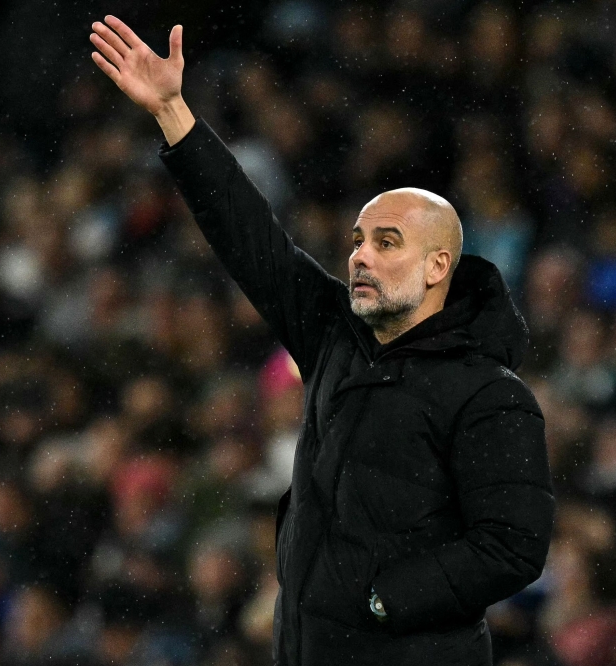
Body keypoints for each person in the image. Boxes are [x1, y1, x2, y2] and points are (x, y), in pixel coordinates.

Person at [90, 16, 555, 666]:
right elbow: (253, 239)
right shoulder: (336, 334)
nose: (361, 256)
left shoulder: (489, 394)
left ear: (437, 267)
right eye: (359, 240)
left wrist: (382, 600)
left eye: (387, 243)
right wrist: (173, 114)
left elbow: (512, 546)